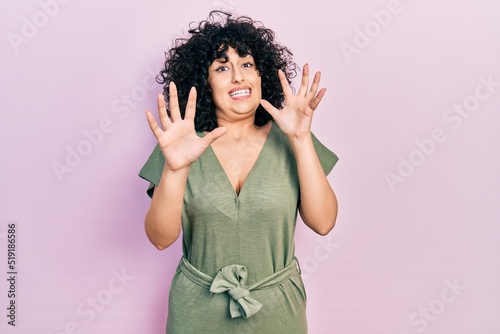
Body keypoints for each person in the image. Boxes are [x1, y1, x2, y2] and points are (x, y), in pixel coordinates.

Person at [139, 10, 339, 334]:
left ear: (262, 75)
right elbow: (160, 238)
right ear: (204, 83)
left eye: (247, 64)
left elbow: (324, 222)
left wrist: (301, 140)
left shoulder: (292, 138)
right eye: (222, 67)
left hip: (278, 313)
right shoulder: (182, 145)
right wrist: (176, 169)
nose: (238, 76)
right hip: (196, 312)